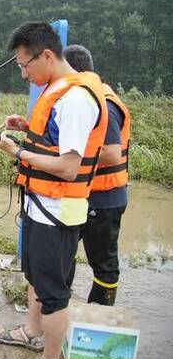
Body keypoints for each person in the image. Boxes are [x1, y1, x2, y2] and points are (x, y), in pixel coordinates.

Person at [0, 22, 108, 359]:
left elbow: (69, 167)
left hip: (58, 212)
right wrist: (27, 129)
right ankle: (32, 332)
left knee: (54, 294)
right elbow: (57, 144)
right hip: (42, 208)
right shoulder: (59, 91)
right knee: (38, 278)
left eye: (24, 65)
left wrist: (17, 152)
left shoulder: (73, 99)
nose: (24, 74)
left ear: (46, 56)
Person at [63, 44, 131, 306]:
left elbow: (113, 154)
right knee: (64, 253)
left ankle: (99, 315)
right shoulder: (85, 99)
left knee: (103, 263)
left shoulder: (105, 104)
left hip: (104, 199)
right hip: (81, 193)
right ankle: (59, 305)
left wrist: (68, 155)